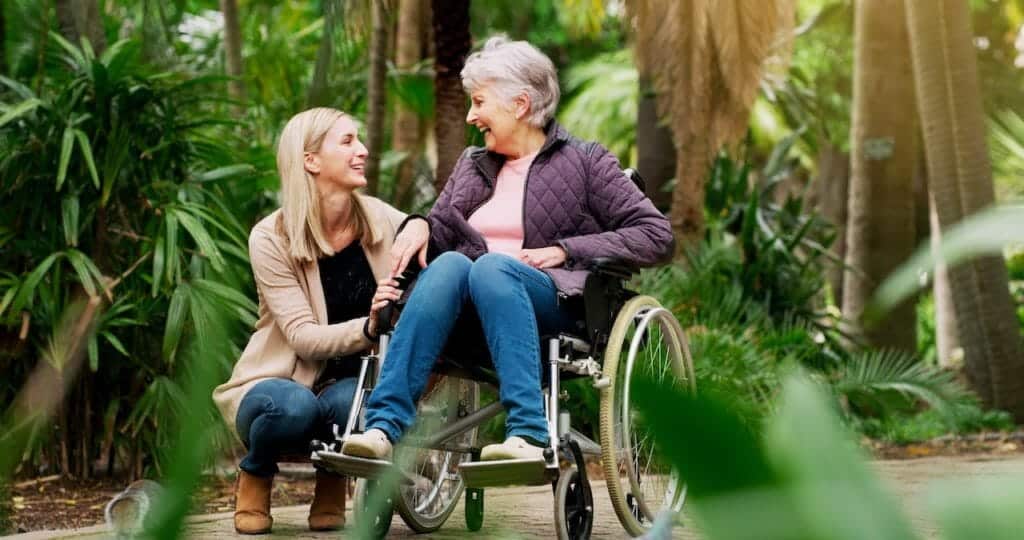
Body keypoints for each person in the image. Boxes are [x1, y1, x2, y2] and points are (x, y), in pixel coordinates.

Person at [341, 37, 674, 463]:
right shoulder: (472, 164)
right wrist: (420, 224)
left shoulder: (587, 162)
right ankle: (382, 428)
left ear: (519, 105)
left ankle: (528, 433)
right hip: (467, 312)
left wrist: (563, 249)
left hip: (552, 303)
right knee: (449, 265)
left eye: (479, 102)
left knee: (491, 268)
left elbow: (656, 234)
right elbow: (442, 227)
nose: (470, 115)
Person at [212, 108, 427, 534]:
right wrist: (366, 328)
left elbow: (426, 232)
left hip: (354, 380)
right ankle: (255, 471)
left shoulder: (378, 217)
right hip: (278, 383)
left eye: (359, 140)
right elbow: (304, 338)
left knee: (361, 407)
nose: (362, 150)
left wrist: (421, 223)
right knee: (293, 409)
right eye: (347, 142)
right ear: (311, 160)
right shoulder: (271, 236)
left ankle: (332, 479)